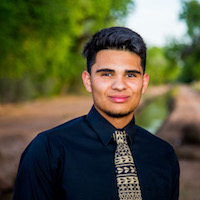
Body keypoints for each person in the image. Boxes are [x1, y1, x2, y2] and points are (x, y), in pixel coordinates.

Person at [13, 27, 179, 200]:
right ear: (88, 81)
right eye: (107, 74)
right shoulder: (48, 150)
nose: (119, 85)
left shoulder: (164, 155)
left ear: (144, 83)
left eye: (130, 75)